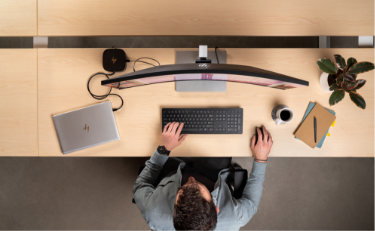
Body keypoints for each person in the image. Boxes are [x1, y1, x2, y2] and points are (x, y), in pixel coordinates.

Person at [133, 122, 273, 231]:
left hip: (174, 170)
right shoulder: (235, 218)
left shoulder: (152, 212)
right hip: (212, 174)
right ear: (216, 208)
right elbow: (251, 202)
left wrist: (164, 149)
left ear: (173, 213)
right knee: (225, 139)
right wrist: (261, 159)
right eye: (198, 186)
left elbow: (141, 184)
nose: (191, 179)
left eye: (182, 189)